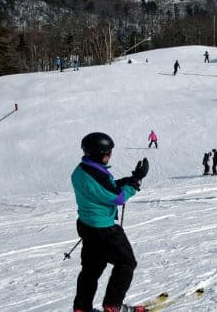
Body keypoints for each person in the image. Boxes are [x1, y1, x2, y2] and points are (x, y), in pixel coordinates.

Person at [71, 132, 149, 312]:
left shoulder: (82, 169)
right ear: (98, 154)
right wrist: (135, 182)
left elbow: (105, 188)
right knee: (126, 263)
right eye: (108, 152)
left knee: (91, 268)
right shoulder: (94, 174)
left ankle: (82, 308)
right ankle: (113, 306)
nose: (109, 155)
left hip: (86, 225)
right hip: (104, 229)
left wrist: (129, 180)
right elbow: (117, 197)